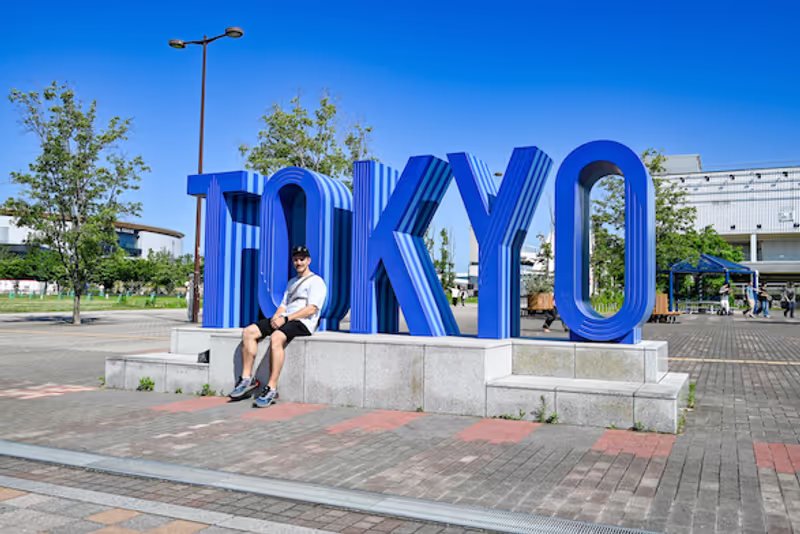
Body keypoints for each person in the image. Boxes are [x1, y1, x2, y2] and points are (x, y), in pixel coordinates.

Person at [229, 246, 327, 408]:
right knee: (249, 332)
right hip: (286, 318)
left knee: (277, 337)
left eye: (302, 259)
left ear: (308, 261)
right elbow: (283, 305)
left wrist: (286, 319)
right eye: (296, 259)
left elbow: (312, 309)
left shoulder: (316, 282)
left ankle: (271, 388)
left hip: (303, 322)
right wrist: (276, 318)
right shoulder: (292, 282)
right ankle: (246, 379)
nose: (299, 262)